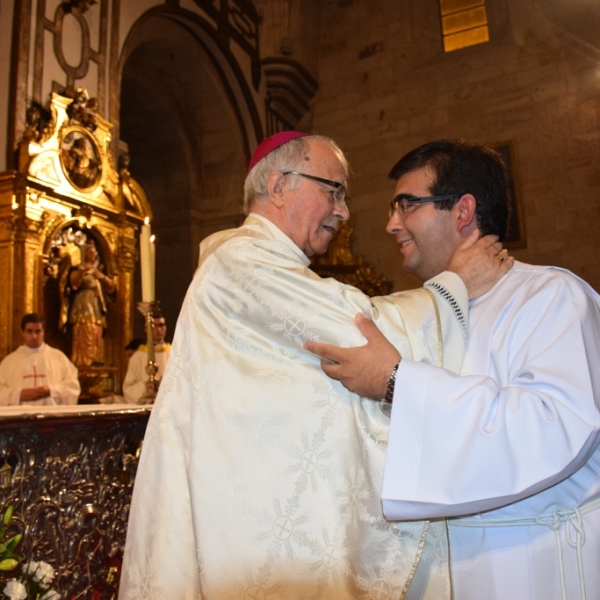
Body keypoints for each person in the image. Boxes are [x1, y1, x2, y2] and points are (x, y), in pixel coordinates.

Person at [119, 132, 510, 599]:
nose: (344, 211)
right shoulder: (242, 261)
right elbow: (359, 335)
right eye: (334, 191)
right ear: (279, 186)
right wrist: (454, 285)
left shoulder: (256, 264)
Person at [305, 139, 600, 600]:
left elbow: (552, 428)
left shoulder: (550, 297)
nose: (390, 224)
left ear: (463, 211)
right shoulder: (422, 314)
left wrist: (398, 382)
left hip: (531, 568)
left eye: (406, 205)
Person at [0, 313, 80, 406]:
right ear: (22, 332)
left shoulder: (59, 358)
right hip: (21, 418)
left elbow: (73, 388)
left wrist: (51, 390)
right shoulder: (9, 362)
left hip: (51, 416)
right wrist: (18, 395)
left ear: (43, 332)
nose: (34, 336)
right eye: (29, 331)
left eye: (38, 331)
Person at [65, 241, 115, 366]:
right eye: (90, 252)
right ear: (84, 254)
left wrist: (102, 277)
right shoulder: (78, 268)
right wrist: (83, 272)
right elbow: (73, 283)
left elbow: (111, 287)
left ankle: (95, 357)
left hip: (96, 302)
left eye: (94, 252)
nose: (93, 254)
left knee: (96, 328)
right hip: (82, 301)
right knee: (83, 327)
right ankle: (81, 359)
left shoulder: (97, 272)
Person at [122, 314, 170, 404]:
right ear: (146, 329)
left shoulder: (174, 354)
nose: (159, 330)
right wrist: (146, 386)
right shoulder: (137, 357)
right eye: (154, 326)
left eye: (161, 325)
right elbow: (128, 389)